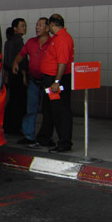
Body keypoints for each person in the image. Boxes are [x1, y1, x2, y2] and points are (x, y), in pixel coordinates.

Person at [11, 17, 51, 146]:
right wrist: (15, 63)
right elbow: (21, 54)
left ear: (48, 28)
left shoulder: (53, 43)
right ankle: (29, 136)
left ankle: (46, 137)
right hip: (33, 81)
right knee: (30, 109)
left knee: (49, 111)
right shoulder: (31, 42)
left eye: (40, 25)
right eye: (37, 25)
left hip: (48, 82)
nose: (37, 27)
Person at [38, 14, 74, 153]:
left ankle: (64, 143)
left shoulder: (63, 39)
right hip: (50, 80)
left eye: (48, 25)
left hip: (57, 80)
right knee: (49, 110)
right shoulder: (57, 38)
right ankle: (44, 137)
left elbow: (62, 62)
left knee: (61, 112)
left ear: (52, 24)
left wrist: (56, 82)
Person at [2, 18, 27, 134]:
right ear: (15, 29)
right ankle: (16, 126)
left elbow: (6, 61)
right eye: (22, 26)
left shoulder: (8, 42)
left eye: (25, 25)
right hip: (18, 74)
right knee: (19, 102)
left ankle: (8, 125)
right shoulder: (19, 42)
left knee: (12, 100)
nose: (24, 28)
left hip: (10, 74)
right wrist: (24, 76)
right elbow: (22, 62)